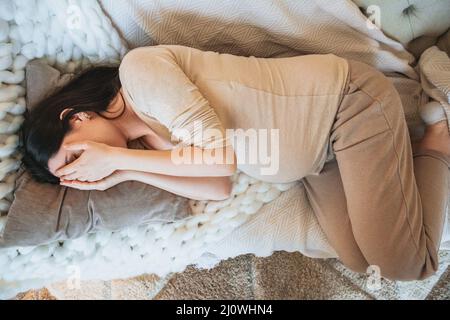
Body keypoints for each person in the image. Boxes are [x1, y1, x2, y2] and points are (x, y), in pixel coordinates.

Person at [21, 45, 450, 281]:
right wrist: (127, 168)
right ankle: (396, 164)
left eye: (77, 154)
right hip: (323, 159)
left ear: (74, 117)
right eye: (78, 169)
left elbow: (221, 159)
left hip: (348, 108)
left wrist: (113, 156)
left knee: (404, 265)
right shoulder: (147, 143)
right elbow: (217, 188)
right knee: (362, 261)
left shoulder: (139, 73)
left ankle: (437, 141)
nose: (90, 164)